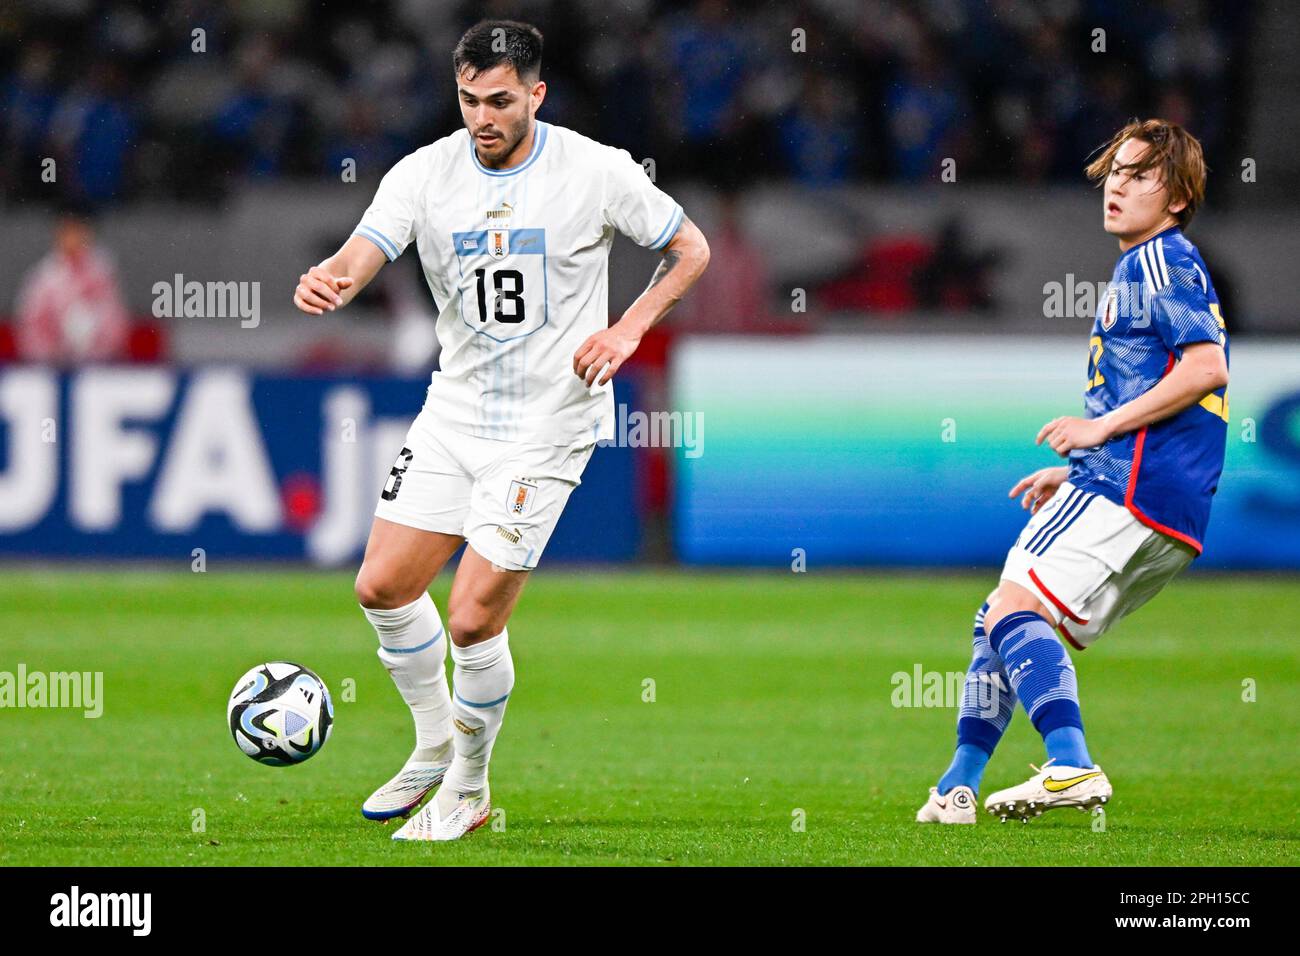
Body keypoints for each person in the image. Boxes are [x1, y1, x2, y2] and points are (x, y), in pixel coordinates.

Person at [292, 20, 709, 842]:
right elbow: (363, 250)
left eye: (499, 101)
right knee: (380, 587)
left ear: (535, 94)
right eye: (468, 99)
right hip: (455, 413)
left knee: (474, 617)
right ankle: (432, 740)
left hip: (549, 421)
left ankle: (470, 787)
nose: (482, 116)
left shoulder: (595, 171)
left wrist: (627, 330)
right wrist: (332, 281)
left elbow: (689, 248)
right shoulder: (425, 173)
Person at [917, 119, 1229, 824]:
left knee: (1009, 610)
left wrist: (1102, 433)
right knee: (1001, 616)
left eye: (1141, 173)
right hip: (1160, 501)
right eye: (1116, 170)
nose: (1118, 184)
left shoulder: (1158, 261)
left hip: (1134, 486)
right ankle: (957, 787)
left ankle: (1071, 764)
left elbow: (1206, 366)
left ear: (1177, 195)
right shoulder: (1150, 263)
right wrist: (1085, 462)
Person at [15, 204, 130, 363]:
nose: (72, 238)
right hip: (52, 366)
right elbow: (30, 326)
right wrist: (53, 353)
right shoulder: (45, 277)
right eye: (67, 232)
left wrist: (95, 349)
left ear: (88, 233)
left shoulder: (103, 273)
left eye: (78, 231)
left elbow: (116, 322)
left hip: (97, 365)